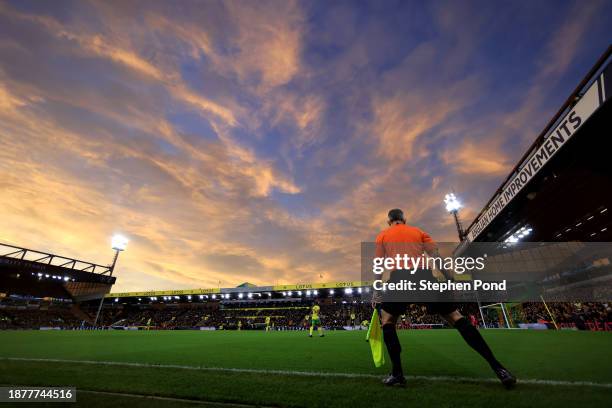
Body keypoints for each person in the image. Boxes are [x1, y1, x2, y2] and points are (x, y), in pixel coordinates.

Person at [373, 208, 516, 388]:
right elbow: (436, 257)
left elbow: (378, 265)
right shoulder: (418, 232)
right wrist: (449, 280)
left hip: (400, 278)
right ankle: (499, 369)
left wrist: (376, 288)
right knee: (455, 317)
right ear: (404, 219)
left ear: (389, 221)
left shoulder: (383, 235)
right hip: (423, 276)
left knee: (388, 321)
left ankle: (398, 375)